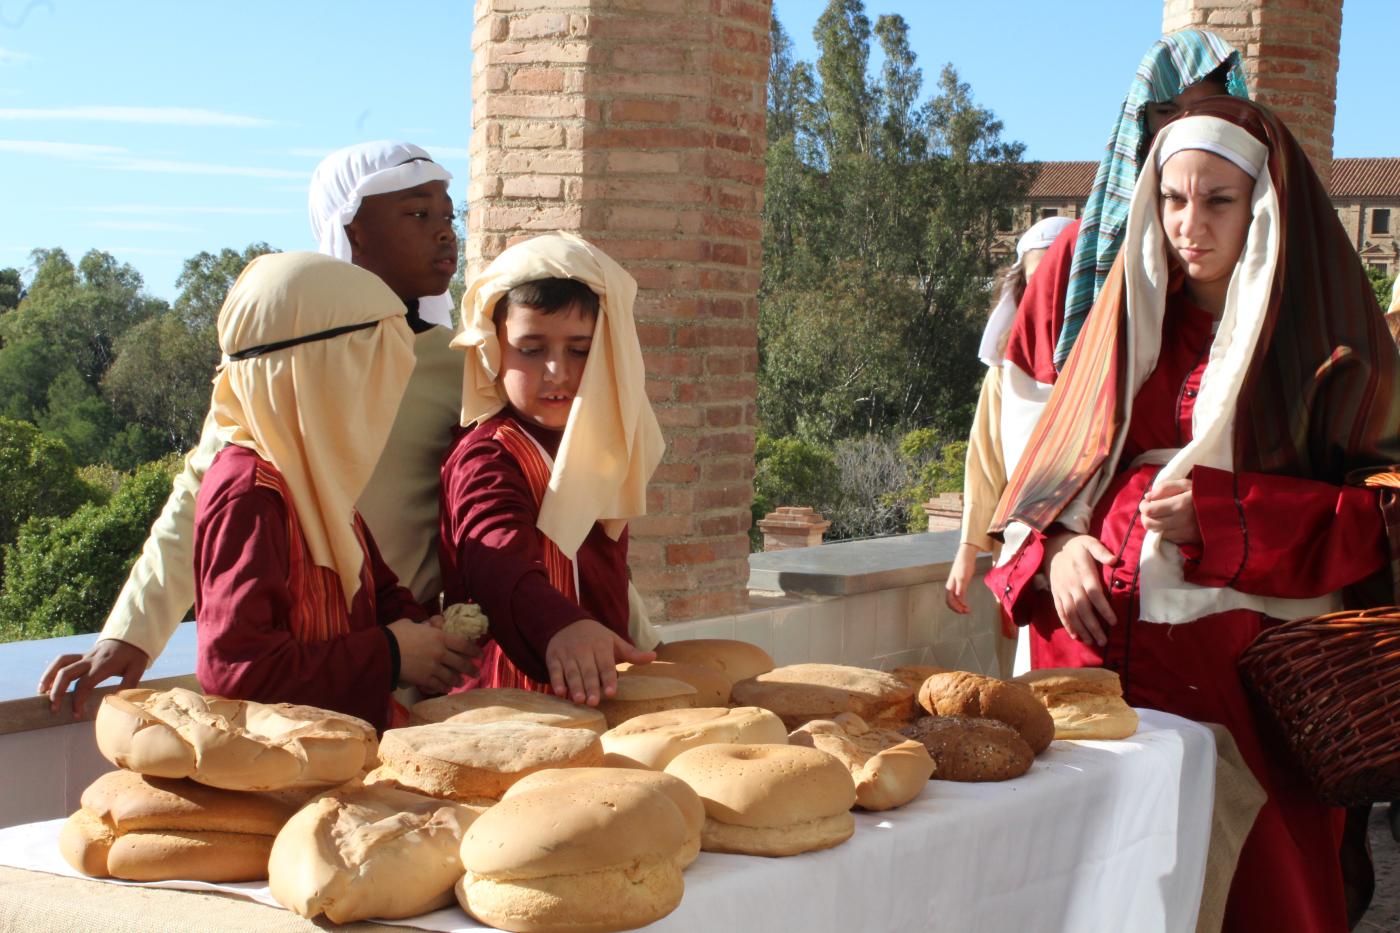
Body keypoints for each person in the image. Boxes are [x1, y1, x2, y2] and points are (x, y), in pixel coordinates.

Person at [987, 97, 1400, 932]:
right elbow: (1042, 483)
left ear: (1262, 203)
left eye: (1218, 200)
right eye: (1173, 198)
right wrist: (1059, 546)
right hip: (1096, 661)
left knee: (1258, 887)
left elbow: (1383, 511)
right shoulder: (1123, 327)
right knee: (1090, 883)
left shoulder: (1333, 347)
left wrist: (1233, 512)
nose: (1189, 223)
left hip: (1249, 687)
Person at [40, 142, 502, 714]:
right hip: (299, 682)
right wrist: (132, 631)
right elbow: (198, 500)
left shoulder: (464, 369)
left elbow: (516, 503)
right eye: (416, 214)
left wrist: (417, 634)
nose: (444, 234)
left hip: (407, 674)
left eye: (447, 217)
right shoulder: (278, 370)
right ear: (351, 228)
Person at [193, 252, 475, 730]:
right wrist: (389, 654)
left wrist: (423, 634)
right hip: (286, 781)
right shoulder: (250, 494)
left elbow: (375, 586)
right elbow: (236, 672)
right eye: (368, 383)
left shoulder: (312, 480)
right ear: (312, 379)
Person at [440, 233, 663, 706]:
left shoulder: (599, 443)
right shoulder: (488, 455)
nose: (557, 371)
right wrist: (559, 624)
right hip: (510, 698)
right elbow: (493, 555)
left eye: (580, 350)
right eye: (531, 348)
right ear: (494, 349)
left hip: (597, 685)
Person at [999, 30, 1249, 450]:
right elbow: (1033, 390)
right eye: (1166, 111)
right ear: (1140, 121)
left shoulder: (1263, 249)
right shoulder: (1080, 252)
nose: (1181, 128)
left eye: (1206, 112)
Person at [944, 215, 1072, 636]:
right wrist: (968, 551)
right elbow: (985, 463)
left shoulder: (1104, 363)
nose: (1049, 293)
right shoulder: (1003, 375)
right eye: (1038, 280)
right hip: (1020, 557)